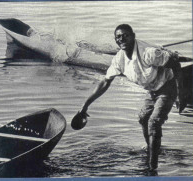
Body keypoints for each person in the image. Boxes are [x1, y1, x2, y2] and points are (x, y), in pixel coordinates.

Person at [78, 24, 182, 173]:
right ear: (115, 41)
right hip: (152, 89)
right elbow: (105, 82)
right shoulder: (119, 58)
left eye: (126, 35)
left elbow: (176, 65)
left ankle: (152, 168)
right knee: (143, 118)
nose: (122, 39)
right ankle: (152, 149)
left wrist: (181, 95)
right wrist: (85, 106)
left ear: (133, 36)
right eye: (118, 37)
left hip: (168, 86)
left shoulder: (148, 53)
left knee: (153, 122)